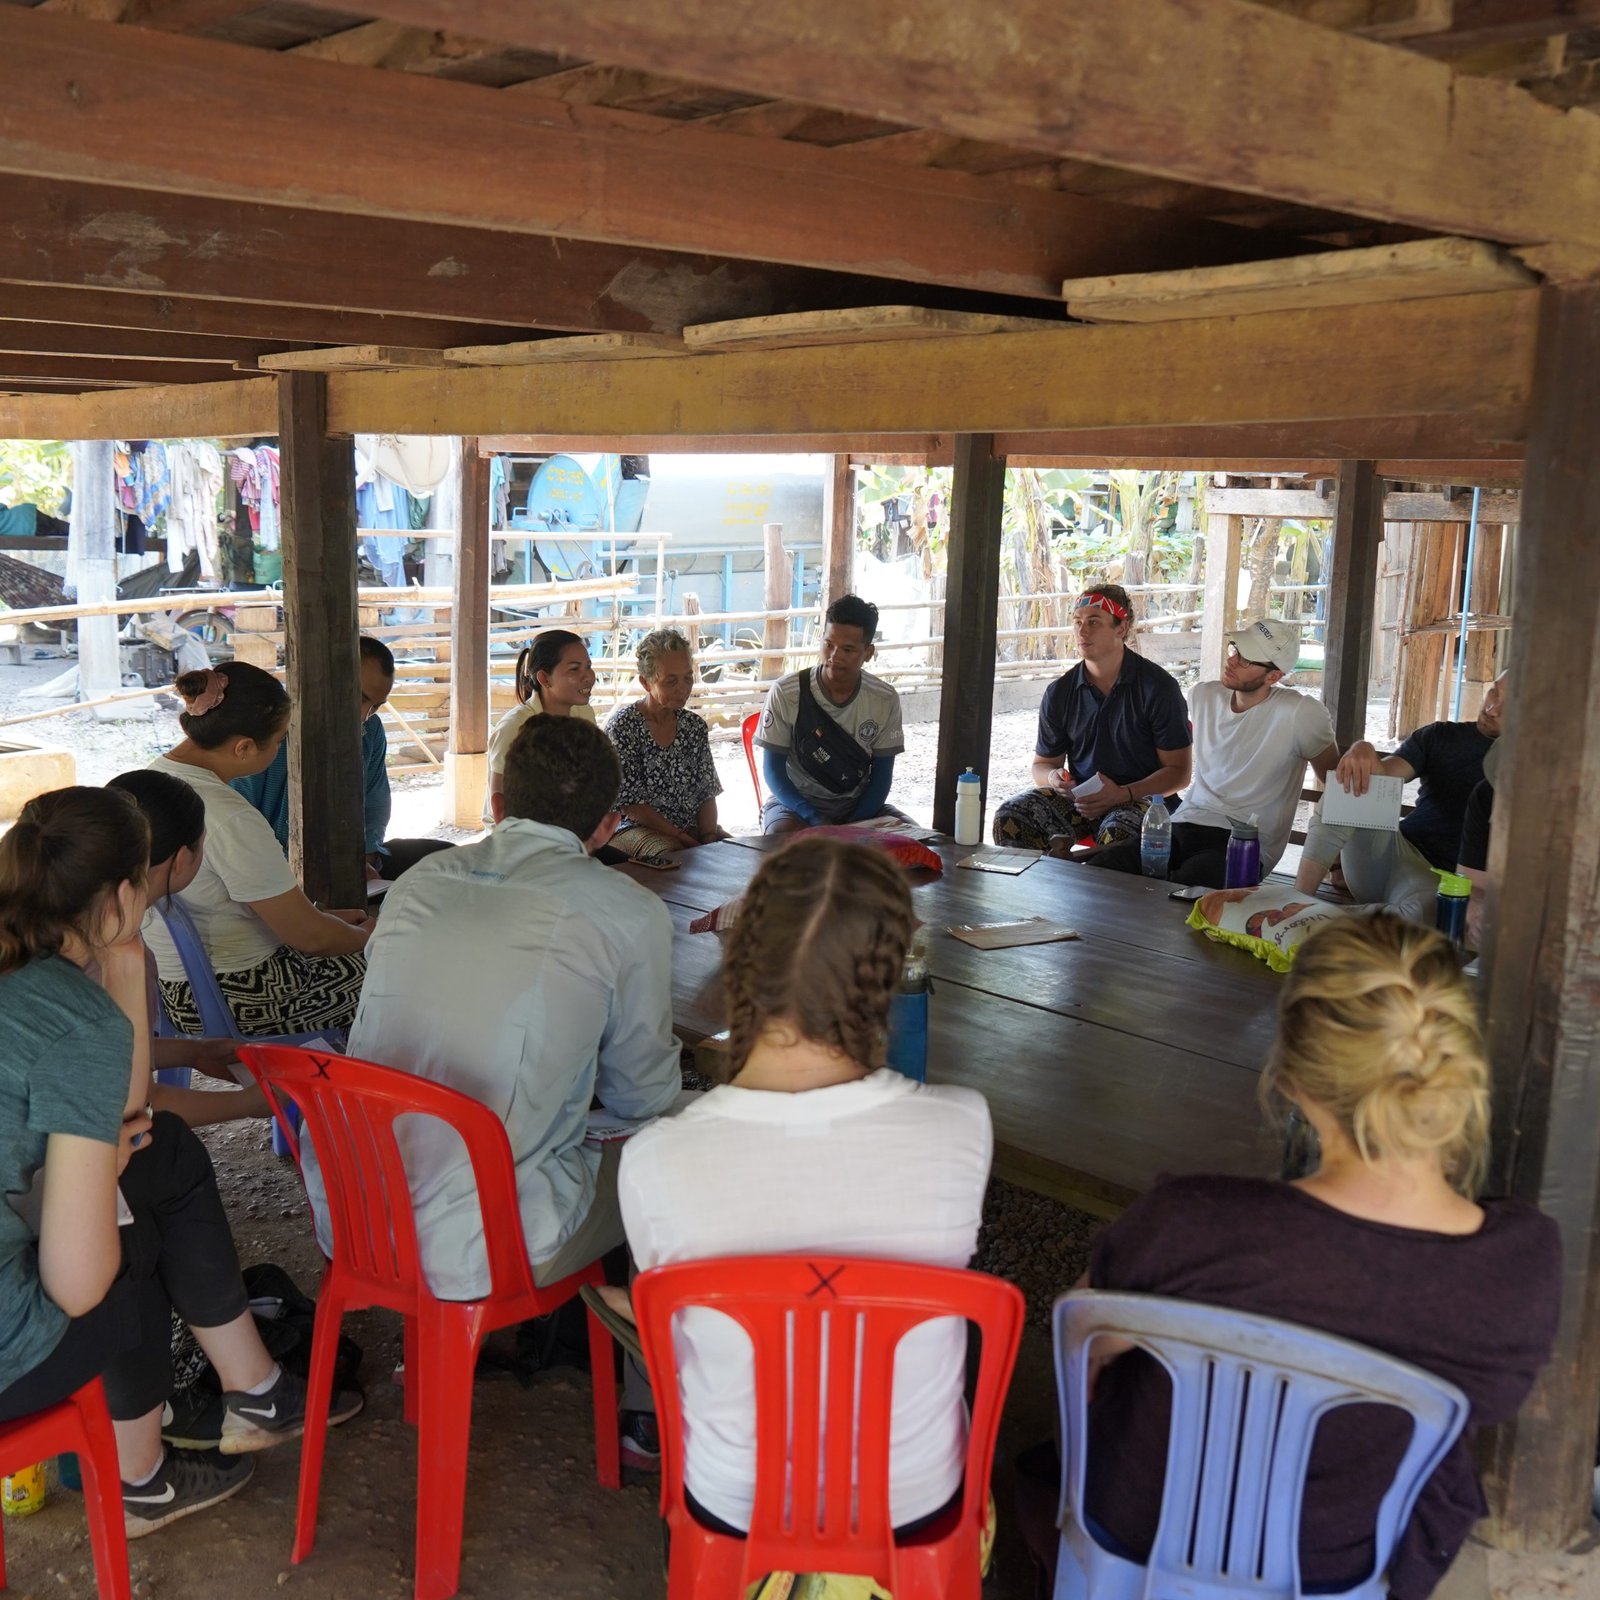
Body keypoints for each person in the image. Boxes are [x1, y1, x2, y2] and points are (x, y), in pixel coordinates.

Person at [1050, 913, 1559, 1600]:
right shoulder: (1515, 1267)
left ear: (1290, 1074)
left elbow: (1082, 1348)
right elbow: (1485, 1408)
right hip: (1334, 1563)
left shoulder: (1189, 1221)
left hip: (1133, 1538)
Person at [300, 713, 685, 1466]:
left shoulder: (417, 885)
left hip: (356, 1211)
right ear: (607, 828)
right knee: (675, 1148)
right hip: (486, 1241)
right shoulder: (627, 910)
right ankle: (650, 1411)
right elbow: (645, 1098)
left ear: (500, 803)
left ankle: (463, 1354)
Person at [0, 788, 360, 1540]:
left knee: (159, 1155)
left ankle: (252, 1388)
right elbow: (78, 1280)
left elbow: (130, 1111)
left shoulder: (28, 980)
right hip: (10, 1355)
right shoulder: (77, 1022)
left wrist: (127, 957)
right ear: (129, 893)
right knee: (127, 1240)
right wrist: (98, 1179)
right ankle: (141, 1479)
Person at [614, 836, 993, 1533]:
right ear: (887, 977)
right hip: (911, 1504)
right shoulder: (963, 1128)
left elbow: (677, 1331)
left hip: (735, 1503)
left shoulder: (655, 1158)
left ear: (742, 962)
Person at [143, 661, 373, 1037]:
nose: (280, 748)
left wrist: (331, 922)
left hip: (173, 990)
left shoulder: (147, 783)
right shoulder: (227, 816)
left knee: (351, 931)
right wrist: (372, 939)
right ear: (244, 747)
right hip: (248, 994)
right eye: (280, 739)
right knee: (407, 967)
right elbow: (310, 938)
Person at [1085, 618, 1338, 885]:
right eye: (1236, 650)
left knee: (1183, 890)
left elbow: (1335, 782)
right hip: (1182, 824)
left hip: (1244, 840)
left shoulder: (1300, 713)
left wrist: (1336, 860)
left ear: (1274, 676)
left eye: (1247, 660)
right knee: (1100, 871)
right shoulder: (1204, 696)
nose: (1233, 660)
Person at [107, 769, 270, 1129]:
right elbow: (138, 1106)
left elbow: (105, 1054)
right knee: (174, 1153)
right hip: (43, 1167)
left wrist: (193, 1052)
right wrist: (250, 1102)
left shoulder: (85, 922)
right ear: (181, 859)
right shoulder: (120, 954)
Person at [230, 636, 453, 882]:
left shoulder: (371, 731)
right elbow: (242, 831)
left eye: (376, 706)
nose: (365, 715)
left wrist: (364, 857)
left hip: (343, 862)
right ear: (327, 679)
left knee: (444, 858)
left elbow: (375, 803)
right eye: (361, 698)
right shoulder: (268, 734)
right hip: (271, 874)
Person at [992, 583, 1193, 851]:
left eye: (1094, 622)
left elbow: (1179, 774)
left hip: (1144, 801)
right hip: (1082, 803)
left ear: (1120, 628)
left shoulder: (1157, 688)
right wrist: (1054, 778)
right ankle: (1040, 889)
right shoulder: (1061, 692)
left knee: (1118, 834)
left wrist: (1124, 794)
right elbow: (1042, 765)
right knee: (1012, 817)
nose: (1082, 630)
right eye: (1077, 622)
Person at [1296, 670, 1507, 920]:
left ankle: (1319, 918)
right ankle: (1296, 902)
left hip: (1443, 884)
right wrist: (1362, 750)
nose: (1492, 708)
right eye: (1493, 691)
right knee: (1354, 779)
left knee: (1430, 907)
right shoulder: (1442, 736)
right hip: (1393, 855)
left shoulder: (1533, 771)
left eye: (1509, 705)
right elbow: (1383, 773)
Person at [754, 594, 906, 834]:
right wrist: (812, 816)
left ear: (868, 652)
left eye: (848, 649)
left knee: (919, 845)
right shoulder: (786, 691)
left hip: (860, 807)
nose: (835, 657)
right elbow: (773, 771)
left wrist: (852, 824)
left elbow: (881, 779)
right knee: (781, 844)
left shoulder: (884, 699)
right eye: (829, 645)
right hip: (795, 805)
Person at [603, 627, 724, 858]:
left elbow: (707, 792)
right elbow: (632, 805)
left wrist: (709, 838)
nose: (683, 688)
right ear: (646, 683)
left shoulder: (693, 726)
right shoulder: (623, 728)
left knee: (737, 855)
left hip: (687, 828)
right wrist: (680, 836)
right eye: (671, 681)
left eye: (688, 678)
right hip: (633, 829)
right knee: (672, 856)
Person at [483, 630, 597, 825]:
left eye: (588, 666)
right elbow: (501, 809)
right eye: (574, 669)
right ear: (544, 678)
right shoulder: (514, 728)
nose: (588, 676)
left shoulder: (584, 713)